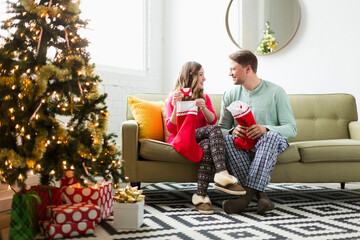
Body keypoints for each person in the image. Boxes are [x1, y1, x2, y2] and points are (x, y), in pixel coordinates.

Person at [219, 49, 297, 214]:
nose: (229, 73)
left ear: (248, 69)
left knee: (269, 137)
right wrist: (232, 131)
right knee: (227, 140)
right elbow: (221, 129)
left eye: (233, 69)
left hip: (271, 142)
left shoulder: (276, 92)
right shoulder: (230, 94)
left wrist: (265, 128)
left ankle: (245, 198)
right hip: (243, 144)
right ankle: (262, 196)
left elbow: (291, 128)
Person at [165, 61, 245, 215]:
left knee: (208, 144)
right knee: (214, 131)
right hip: (182, 138)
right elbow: (171, 128)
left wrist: (204, 107)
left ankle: (200, 196)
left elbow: (212, 120)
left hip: (199, 139)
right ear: (191, 76)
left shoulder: (204, 97)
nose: (204, 78)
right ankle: (222, 173)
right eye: (201, 74)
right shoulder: (174, 97)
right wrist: (177, 107)